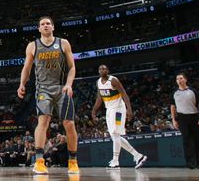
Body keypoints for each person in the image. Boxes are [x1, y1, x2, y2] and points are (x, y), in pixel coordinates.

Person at [17, 16, 80, 174]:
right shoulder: (32, 46)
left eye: (48, 23)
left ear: (53, 27)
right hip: (43, 89)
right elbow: (27, 68)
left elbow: (72, 67)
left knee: (69, 124)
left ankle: (73, 161)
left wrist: (69, 84)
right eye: (42, 24)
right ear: (39, 29)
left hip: (62, 88)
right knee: (43, 121)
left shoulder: (63, 43)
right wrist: (22, 84)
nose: (45, 26)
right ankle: (39, 161)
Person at [91, 65, 147, 169]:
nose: (102, 70)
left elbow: (124, 94)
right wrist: (94, 111)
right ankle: (138, 156)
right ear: (98, 71)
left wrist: (129, 109)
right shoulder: (98, 82)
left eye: (104, 68)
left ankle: (116, 161)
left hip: (118, 110)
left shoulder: (113, 80)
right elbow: (99, 97)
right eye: (100, 69)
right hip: (109, 110)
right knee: (115, 136)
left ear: (108, 70)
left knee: (115, 134)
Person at [170, 72, 199, 169]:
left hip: (194, 117)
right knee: (186, 140)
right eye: (177, 79)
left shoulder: (193, 91)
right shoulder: (174, 93)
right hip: (182, 118)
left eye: (181, 78)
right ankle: (190, 162)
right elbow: (173, 107)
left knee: (197, 140)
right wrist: (174, 120)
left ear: (185, 79)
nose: (179, 80)